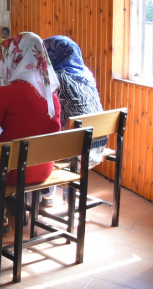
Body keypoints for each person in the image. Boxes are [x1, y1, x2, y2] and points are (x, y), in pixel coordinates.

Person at [0, 32, 61, 230]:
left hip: (11, 172)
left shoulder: (5, 93)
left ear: (15, 57)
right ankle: (16, 205)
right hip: (43, 169)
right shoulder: (51, 94)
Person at [41, 35, 105, 207]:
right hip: (96, 145)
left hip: (75, 151)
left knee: (37, 140)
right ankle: (51, 194)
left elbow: (50, 118)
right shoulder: (85, 74)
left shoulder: (57, 79)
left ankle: (46, 193)